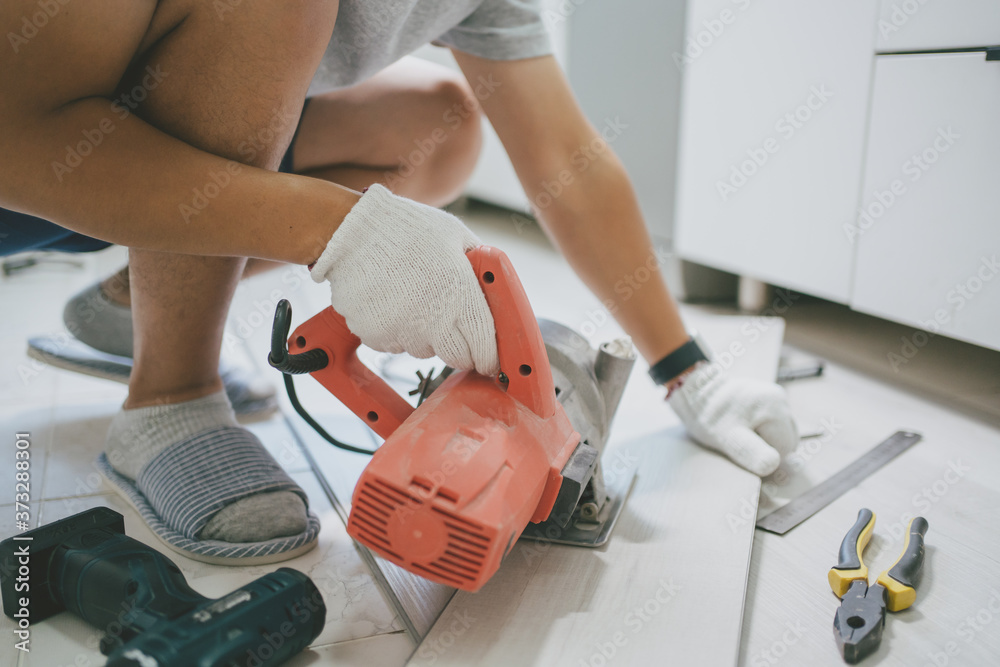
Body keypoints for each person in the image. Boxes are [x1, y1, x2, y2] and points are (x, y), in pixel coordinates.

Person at [0, 0, 797, 564]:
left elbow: (568, 161)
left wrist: (685, 367)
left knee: (442, 125)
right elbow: (16, 136)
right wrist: (339, 231)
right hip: (37, 166)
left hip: (157, 149)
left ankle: (139, 302)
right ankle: (170, 394)